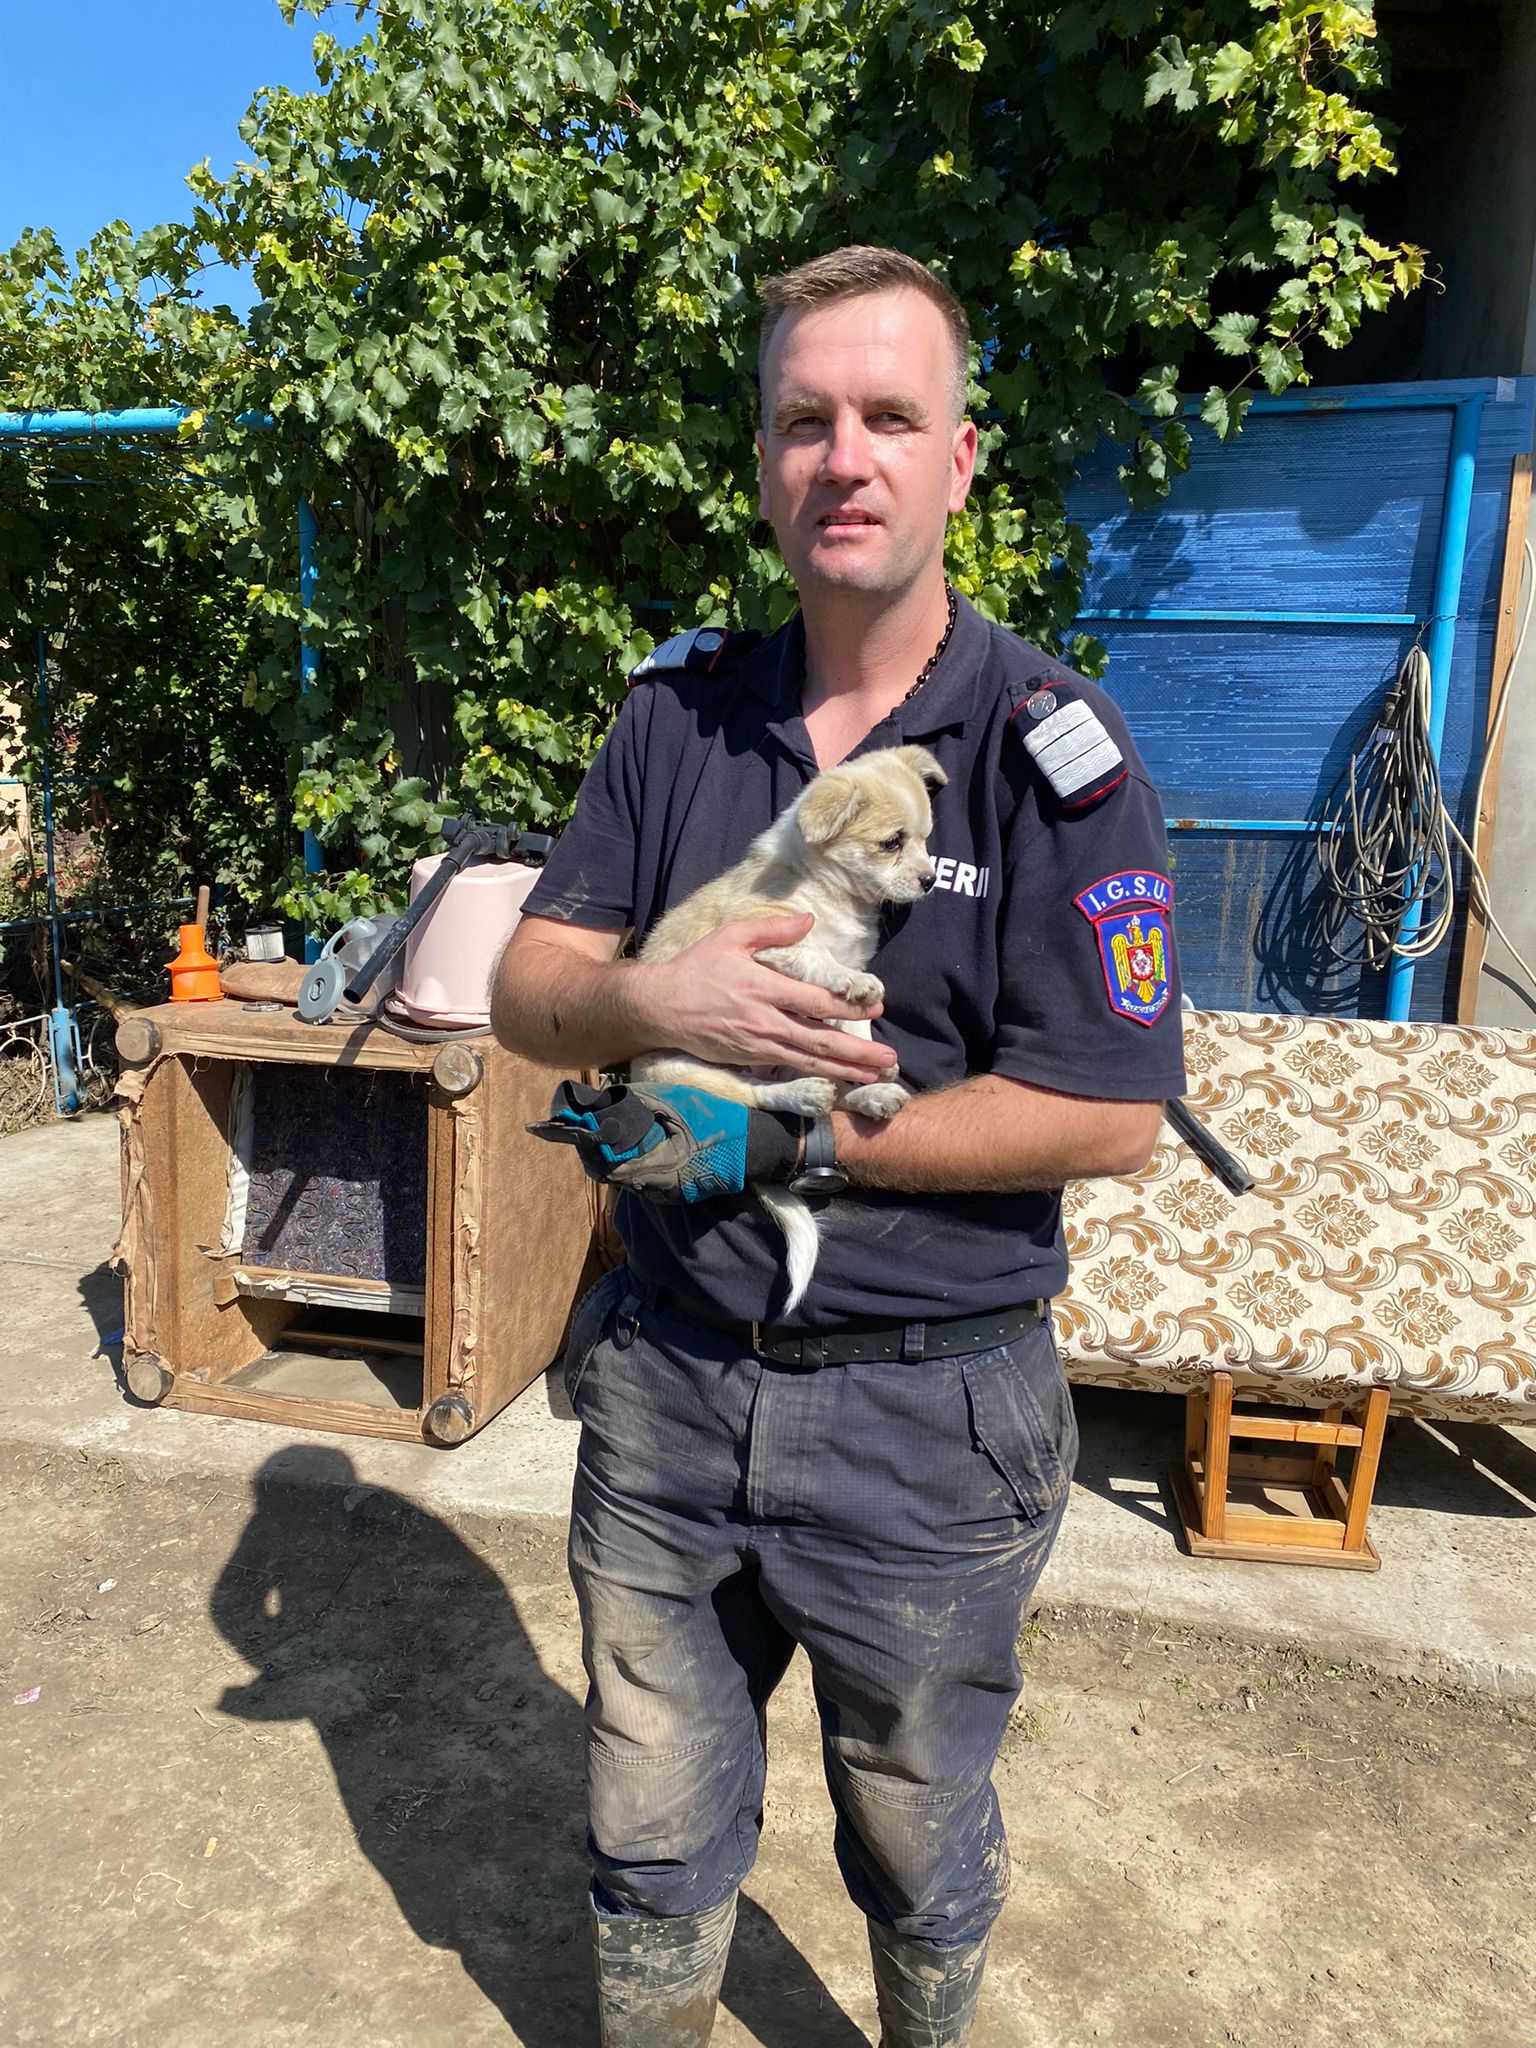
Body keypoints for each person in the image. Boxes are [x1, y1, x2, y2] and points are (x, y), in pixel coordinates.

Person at [491, 244, 1187, 2047]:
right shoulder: (676, 717)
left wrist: (792, 1141)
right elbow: (529, 991)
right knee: (648, 1816)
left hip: (929, 1414)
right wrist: (658, 1002)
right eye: (805, 420)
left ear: (961, 459)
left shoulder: (1050, 754)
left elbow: (1113, 1110)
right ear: (763, 461)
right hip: (668, 1383)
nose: (845, 457)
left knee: (916, 1825)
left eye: (890, 416)